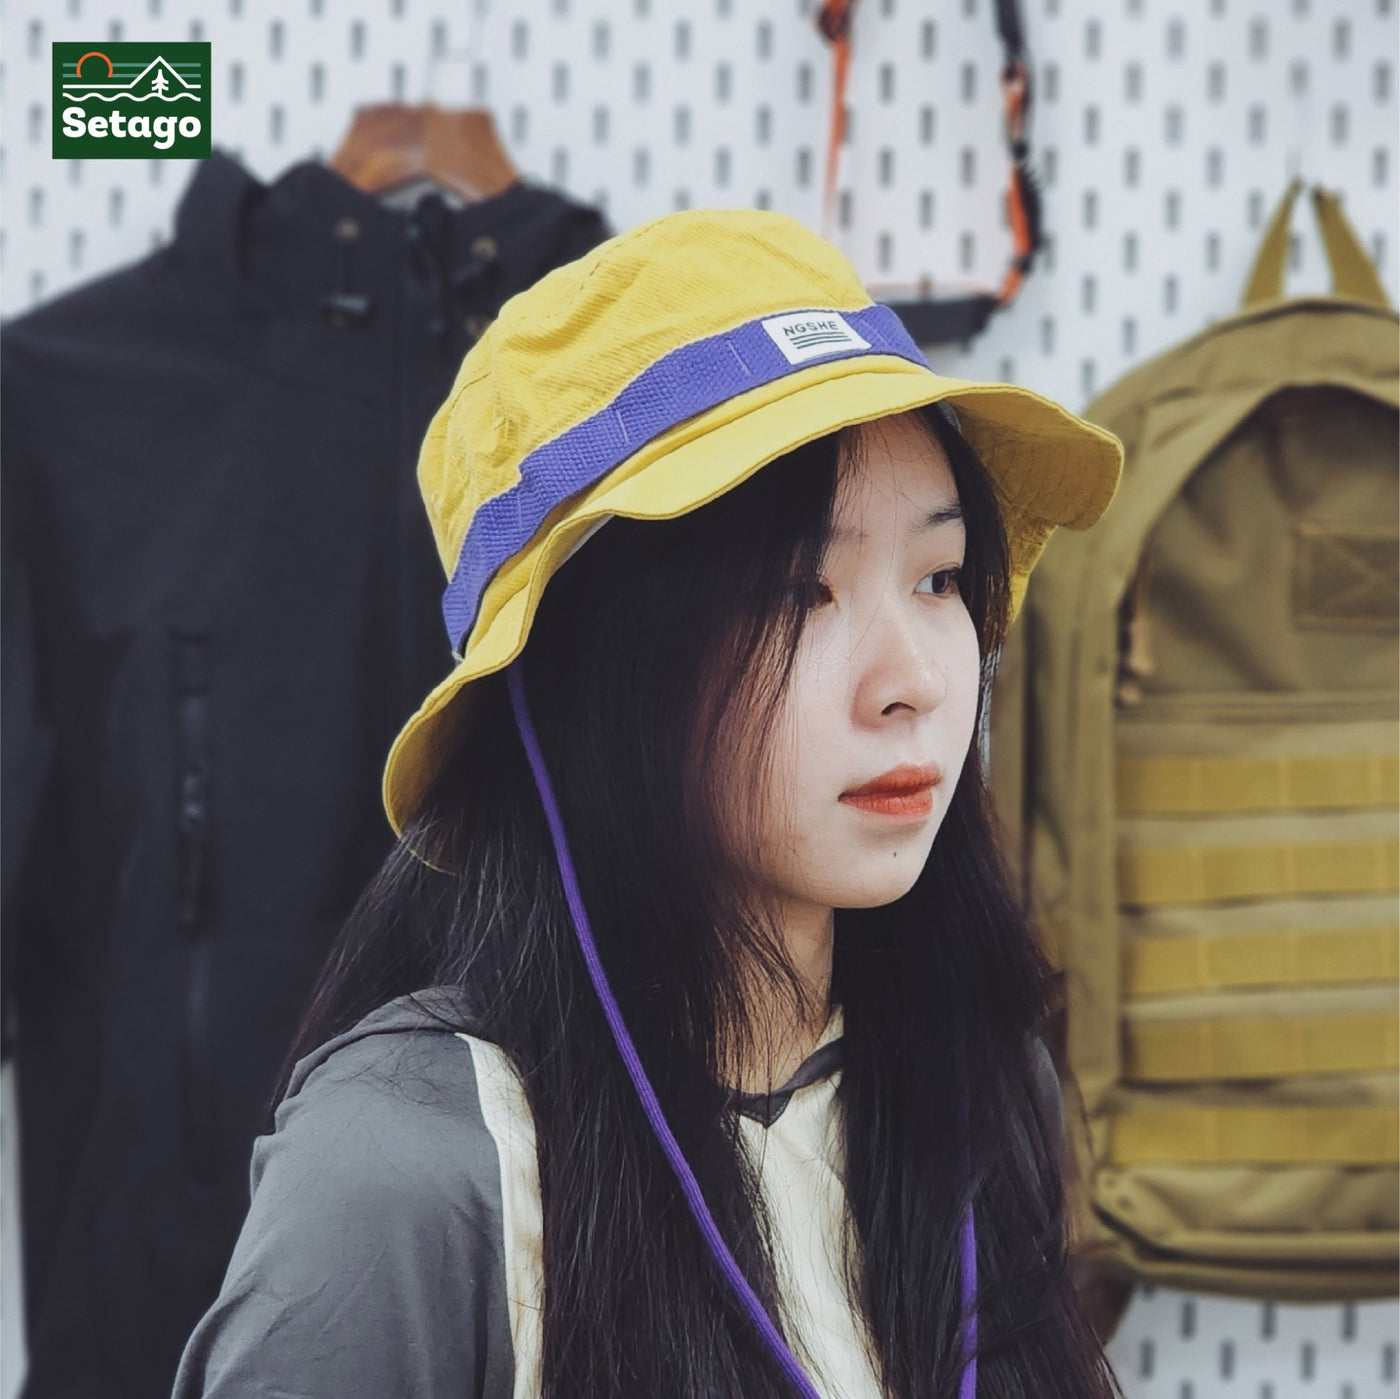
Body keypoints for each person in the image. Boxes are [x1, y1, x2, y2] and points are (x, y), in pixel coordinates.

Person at [172, 208, 1124, 1399]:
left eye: (936, 577)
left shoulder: (976, 1082)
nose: (915, 682)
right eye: (798, 591)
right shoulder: (410, 1173)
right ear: (591, 666)